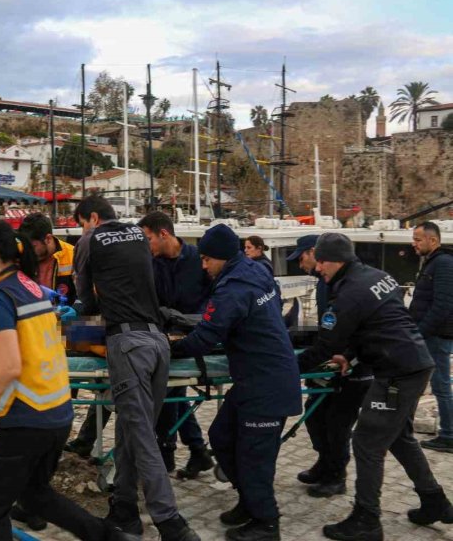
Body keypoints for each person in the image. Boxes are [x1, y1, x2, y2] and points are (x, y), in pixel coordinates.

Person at [0, 220, 130, 541]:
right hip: (56, 414)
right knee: (34, 495)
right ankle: (109, 537)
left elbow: (9, 367)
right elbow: (30, 342)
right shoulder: (30, 287)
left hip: (26, 419)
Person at [296, 233, 452, 540]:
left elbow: (326, 345)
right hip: (413, 363)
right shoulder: (377, 277)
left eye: (322, 263)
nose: (318, 269)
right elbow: (375, 323)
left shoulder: (350, 292)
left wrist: (286, 369)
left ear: (335, 260)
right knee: (400, 438)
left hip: (397, 372)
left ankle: (366, 519)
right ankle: (435, 501)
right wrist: (350, 355)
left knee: (367, 441)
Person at [72, 195, 199, 541]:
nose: (80, 229)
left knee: (141, 435)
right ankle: (124, 509)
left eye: (80, 222)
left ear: (92, 218)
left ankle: (169, 520)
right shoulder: (138, 237)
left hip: (127, 346)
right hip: (159, 345)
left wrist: (72, 315)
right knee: (130, 431)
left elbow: (86, 299)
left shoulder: (89, 240)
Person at [171, 224, 301, 541]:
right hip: (252, 379)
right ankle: (248, 501)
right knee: (222, 435)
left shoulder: (234, 288)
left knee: (254, 457)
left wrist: (167, 347)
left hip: (267, 382)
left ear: (221, 257)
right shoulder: (254, 270)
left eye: (206, 259)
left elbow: (205, 338)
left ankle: (267, 524)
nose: (203, 266)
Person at [290, 234, 372, 498]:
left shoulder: (345, 284)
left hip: (353, 364)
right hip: (331, 359)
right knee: (315, 415)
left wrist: (294, 366)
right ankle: (325, 462)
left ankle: (337, 475)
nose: (301, 264)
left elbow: (342, 331)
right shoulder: (326, 281)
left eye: (302, 257)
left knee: (338, 422)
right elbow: (328, 328)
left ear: (316, 253)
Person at [141, 211, 214, 479]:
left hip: (194, 335)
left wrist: (196, 325)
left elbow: (213, 299)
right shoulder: (152, 262)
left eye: (148, 238)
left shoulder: (199, 260)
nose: (146, 245)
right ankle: (197, 451)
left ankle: (167, 453)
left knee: (169, 393)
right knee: (173, 391)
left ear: (164, 234)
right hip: (165, 335)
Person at [410, 221, 453, 453]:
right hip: (429, 334)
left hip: (435, 336)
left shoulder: (444, 263)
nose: (413, 243)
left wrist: (420, 332)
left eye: (418, 239)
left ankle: (449, 435)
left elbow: (443, 305)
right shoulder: (432, 263)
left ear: (433, 240)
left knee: (441, 385)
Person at [18, 212, 76, 304]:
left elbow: (85, 294)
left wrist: (75, 311)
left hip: (62, 315)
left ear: (48, 239)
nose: (28, 251)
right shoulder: (18, 253)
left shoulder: (72, 255)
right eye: (25, 246)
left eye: (32, 247)